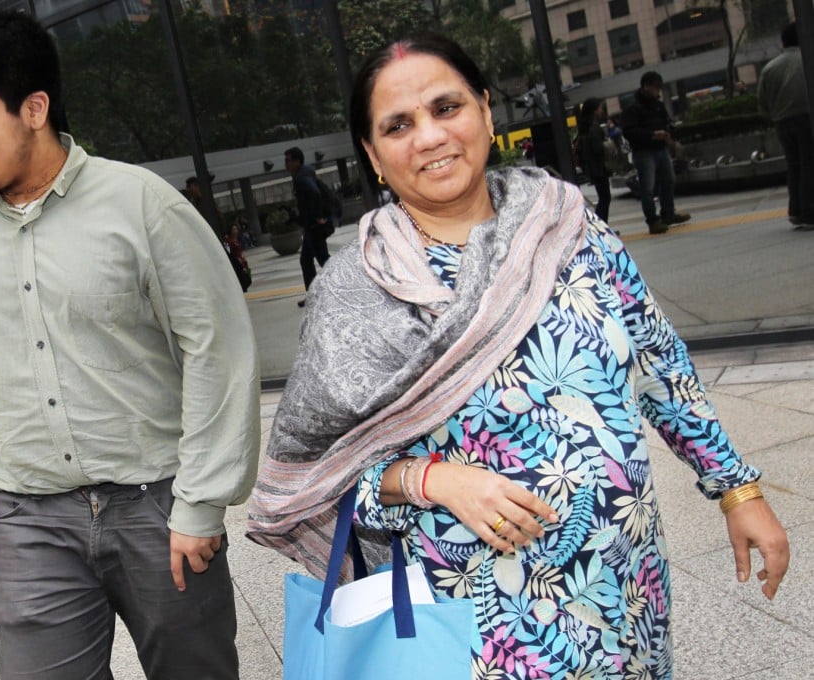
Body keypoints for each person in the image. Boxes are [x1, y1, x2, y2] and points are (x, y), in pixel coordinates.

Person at [246, 33, 790, 678]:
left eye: (446, 108)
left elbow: (660, 363)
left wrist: (737, 490)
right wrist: (432, 479)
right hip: (482, 620)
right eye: (399, 125)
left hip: (626, 579)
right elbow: (311, 482)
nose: (429, 137)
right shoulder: (355, 291)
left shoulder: (565, 224)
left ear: (484, 108)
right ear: (372, 152)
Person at [0, 11, 260, 680]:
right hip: (30, 519)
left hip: (159, 506)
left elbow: (217, 351)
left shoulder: (143, 207)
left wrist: (202, 500)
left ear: (34, 108)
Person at [757, 21, 813, 230]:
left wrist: (774, 115)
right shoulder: (807, 58)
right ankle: (809, 210)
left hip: (782, 122)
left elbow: (762, 104)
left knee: (794, 165)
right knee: (809, 165)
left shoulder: (770, 68)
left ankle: (796, 210)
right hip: (806, 118)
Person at [621, 71, 690, 234]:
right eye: (654, 88)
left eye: (658, 88)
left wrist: (669, 132)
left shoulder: (657, 105)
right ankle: (652, 220)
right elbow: (629, 131)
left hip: (660, 148)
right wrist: (652, 134)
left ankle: (668, 213)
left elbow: (666, 121)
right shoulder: (632, 107)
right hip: (644, 152)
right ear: (645, 86)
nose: (657, 91)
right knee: (648, 187)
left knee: (669, 180)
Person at [284, 146, 330, 307]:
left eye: (288, 160)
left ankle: (341, 287)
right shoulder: (305, 173)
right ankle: (313, 294)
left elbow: (315, 193)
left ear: (297, 161)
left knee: (323, 259)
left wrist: (317, 217)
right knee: (307, 260)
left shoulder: (301, 177)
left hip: (312, 226)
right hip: (310, 226)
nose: (286, 164)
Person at [576, 98, 611, 222]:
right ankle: (601, 225)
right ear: (594, 110)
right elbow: (598, 149)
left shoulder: (585, 127)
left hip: (591, 168)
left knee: (603, 197)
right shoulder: (594, 127)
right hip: (599, 168)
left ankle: (601, 224)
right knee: (605, 198)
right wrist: (607, 145)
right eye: (600, 108)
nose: (602, 110)